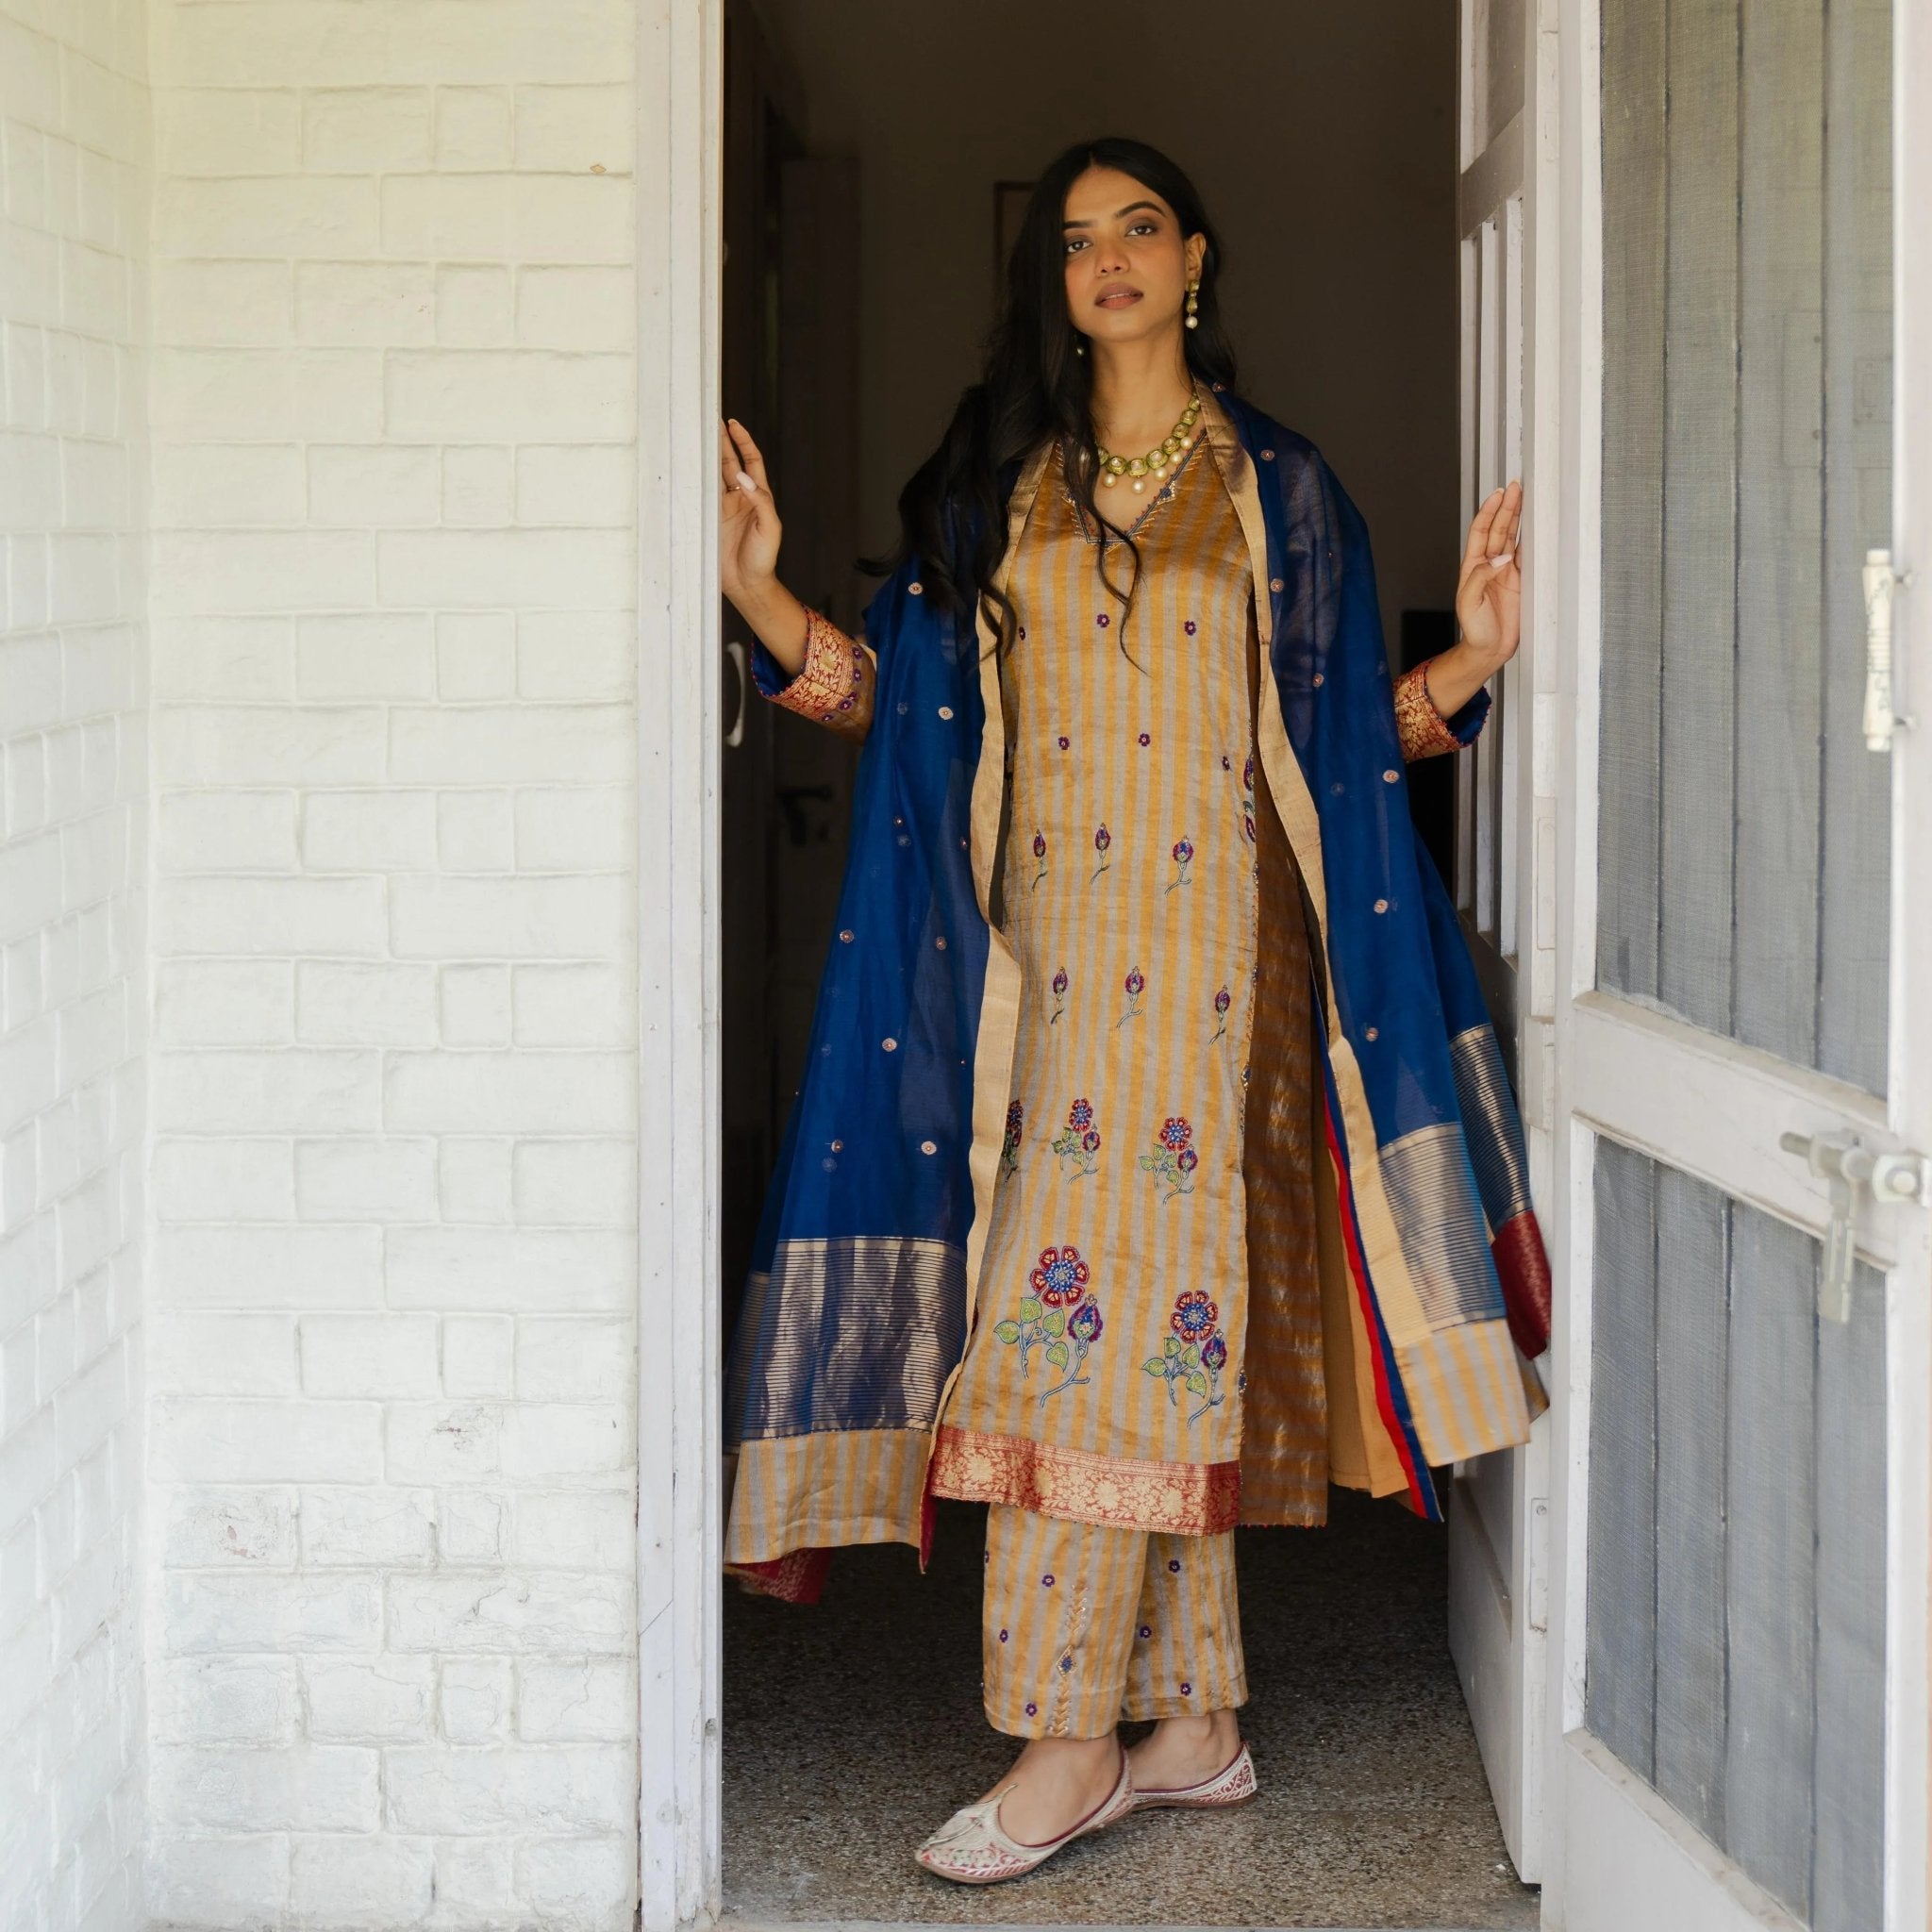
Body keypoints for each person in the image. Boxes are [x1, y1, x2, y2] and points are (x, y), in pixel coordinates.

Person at [716, 136, 1547, 1886]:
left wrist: (1471, 659)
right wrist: (762, 594)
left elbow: (1329, 755)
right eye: (1078, 239)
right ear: (1057, 282)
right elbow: (896, 710)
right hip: (1049, 1007)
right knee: (1099, 1342)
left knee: (1105, 1349)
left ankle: (1066, 1743)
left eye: (1137, 229)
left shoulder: (1282, 494)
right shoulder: (992, 496)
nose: (1106, 261)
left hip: (1228, 1000)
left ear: (1195, 262)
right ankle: (1194, 1724)